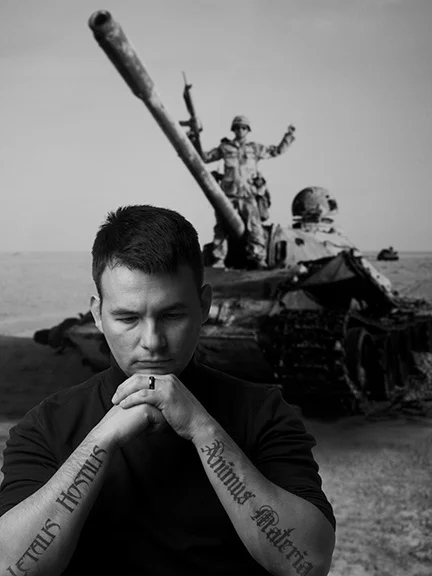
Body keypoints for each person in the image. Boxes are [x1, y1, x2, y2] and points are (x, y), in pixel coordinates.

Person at [0, 205, 335, 576]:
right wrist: (100, 442)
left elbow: (308, 563)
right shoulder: (47, 425)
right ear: (97, 314)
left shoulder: (263, 413)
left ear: (204, 305)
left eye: (172, 315)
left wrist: (203, 430)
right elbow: (12, 568)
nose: (152, 342)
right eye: (127, 318)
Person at [201, 115, 296, 269]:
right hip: (228, 197)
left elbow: (276, 151)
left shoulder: (255, 149)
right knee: (222, 228)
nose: (240, 130)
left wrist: (288, 136)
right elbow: (205, 157)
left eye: (243, 128)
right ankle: (218, 259)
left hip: (248, 196)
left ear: (247, 130)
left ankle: (258, 258)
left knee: (255, 228)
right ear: (233, 130)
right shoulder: (225, 148)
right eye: (237, 128)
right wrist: (194, 139)